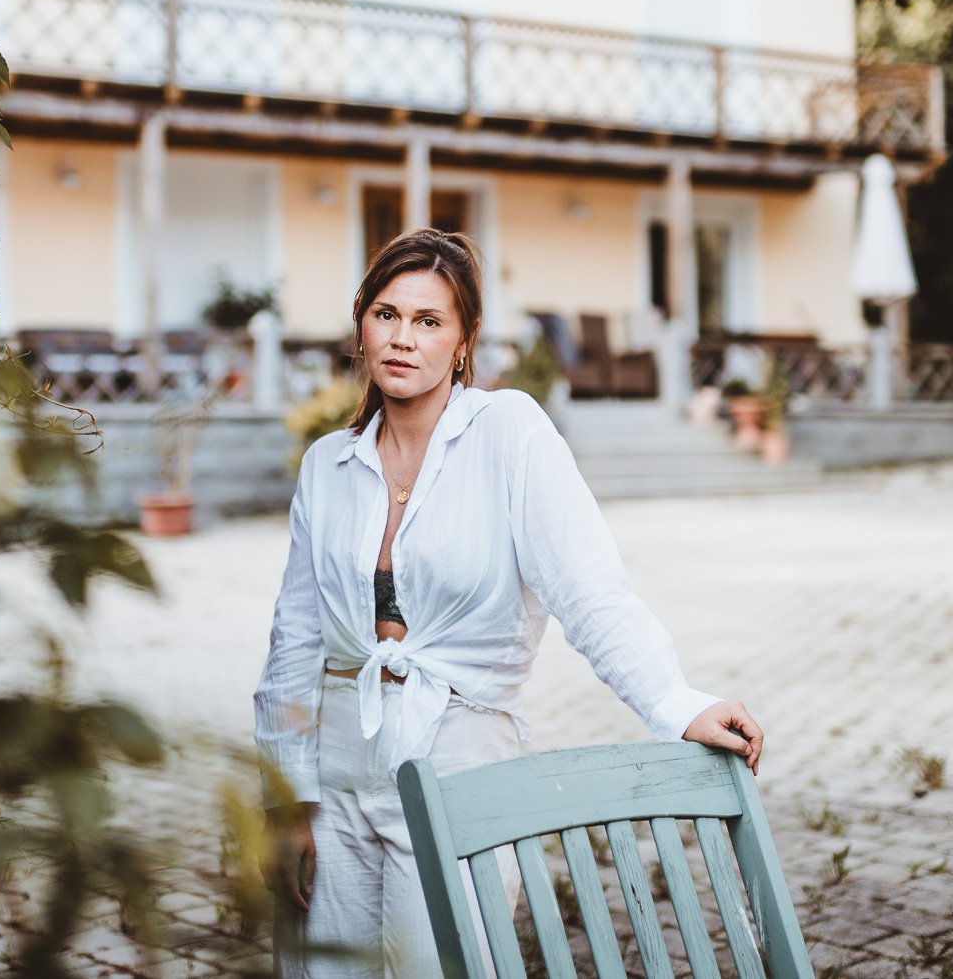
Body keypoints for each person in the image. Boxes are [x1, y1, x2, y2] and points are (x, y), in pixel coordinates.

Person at [254, 228, 764, 977]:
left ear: (463, 341)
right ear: (360, 324)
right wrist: (284, 799)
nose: (404, 338)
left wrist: (675, 700)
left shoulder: (510, 433)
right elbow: (293, 642)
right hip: (336, 769)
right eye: (387, 314)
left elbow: (588, 589)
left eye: (430, 321)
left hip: (458, 757)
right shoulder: (328, 465)